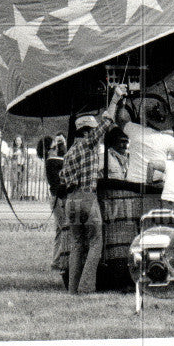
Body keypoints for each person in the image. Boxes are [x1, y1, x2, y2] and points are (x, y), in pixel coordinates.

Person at [59, 84, 127, 295]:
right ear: (88, 130)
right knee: (96, 243)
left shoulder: (69, 152)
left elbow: (63, 178)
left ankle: (73, 288)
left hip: (71, 200)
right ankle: (87, 287)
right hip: (87, 198)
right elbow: (107, 122)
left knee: (78, 245)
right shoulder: (87, 144)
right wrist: (115, 98)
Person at [38, 135, 67, 271]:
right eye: (55, 147)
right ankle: (61, 261)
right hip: (58, 199)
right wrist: (66, 144)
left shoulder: (52, 162)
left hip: (56, 198)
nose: (57, 149)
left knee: (60, 231)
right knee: (65, 229)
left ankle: (56, 261)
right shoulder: (52, 161)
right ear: (48, 151)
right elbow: (67, 159)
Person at [11, 135, 26, 199]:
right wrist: (14, 154)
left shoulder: (24, 149)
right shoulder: (12, 149)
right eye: (17, 140)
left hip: (22, 165)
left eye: (19, 140)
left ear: (21, 141)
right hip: (15, 166)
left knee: (21, 181)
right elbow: (10, 157)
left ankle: (21, 195)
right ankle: (13, 195)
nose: (18, 142)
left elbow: (25, 157)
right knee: (14, 181)